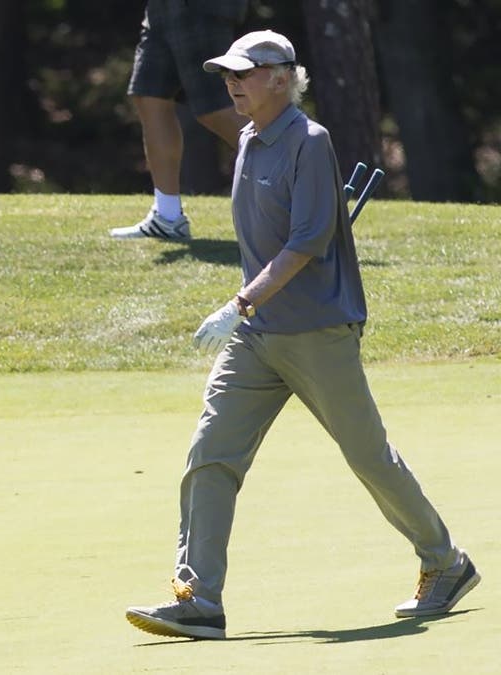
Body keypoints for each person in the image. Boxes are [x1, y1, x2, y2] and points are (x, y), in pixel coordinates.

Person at [125, 30, 480, 640]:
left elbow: (307, 243)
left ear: (283, 77)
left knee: (368, 456)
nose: (232, 83)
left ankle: (445, 561)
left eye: (245, 73)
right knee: (210, 454)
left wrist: (240, 302)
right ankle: (198, 597)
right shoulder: (248, 138)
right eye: (227, 74)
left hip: (316, 331)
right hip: (258, 335)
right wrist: (249, 312)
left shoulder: (310, 141)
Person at [110, 0, 249, 240]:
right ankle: (167, 217)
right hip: (161, 9)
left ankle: (309, 193)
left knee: (216, 108)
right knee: (150, 96)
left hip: (195, 7)